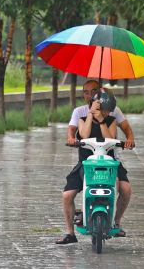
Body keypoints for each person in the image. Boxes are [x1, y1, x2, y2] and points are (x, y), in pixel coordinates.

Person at [57, 84, 133, 244]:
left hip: (110, 163)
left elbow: (110, 137)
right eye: (104, 109)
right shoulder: (82, 117)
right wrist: (92, 115)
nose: (106, 113)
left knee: (124, 188)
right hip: (86, 164)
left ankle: (116, 222)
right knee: (67, 195)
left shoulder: (111, 120)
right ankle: (70, 233)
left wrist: (101, 119)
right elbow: (83, 134)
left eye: (107, 110)